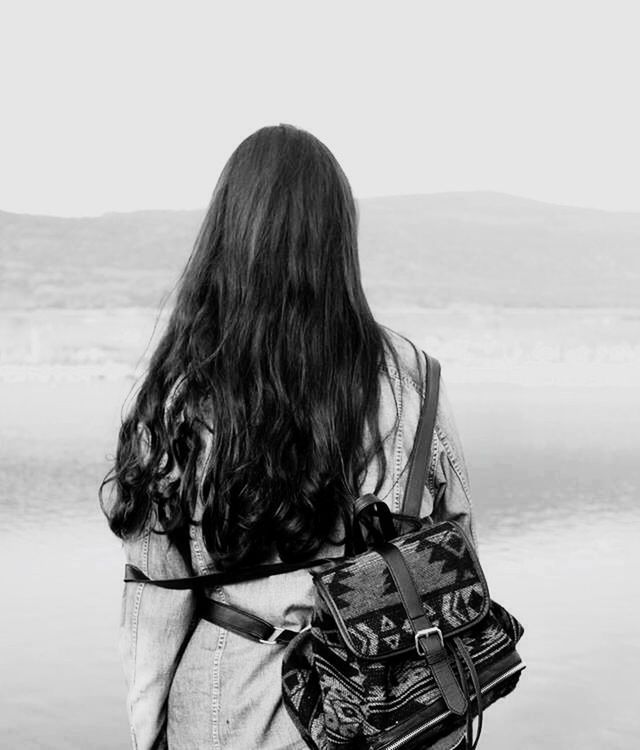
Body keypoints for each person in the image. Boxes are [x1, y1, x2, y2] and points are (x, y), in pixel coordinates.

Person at [100, 124, 477, 750]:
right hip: (386, 696)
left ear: (229, 235)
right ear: (339, 239)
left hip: (228, 700)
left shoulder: (184, 394)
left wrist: (147, 733)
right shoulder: (413, 377)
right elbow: (456, 549)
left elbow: (154, 606)